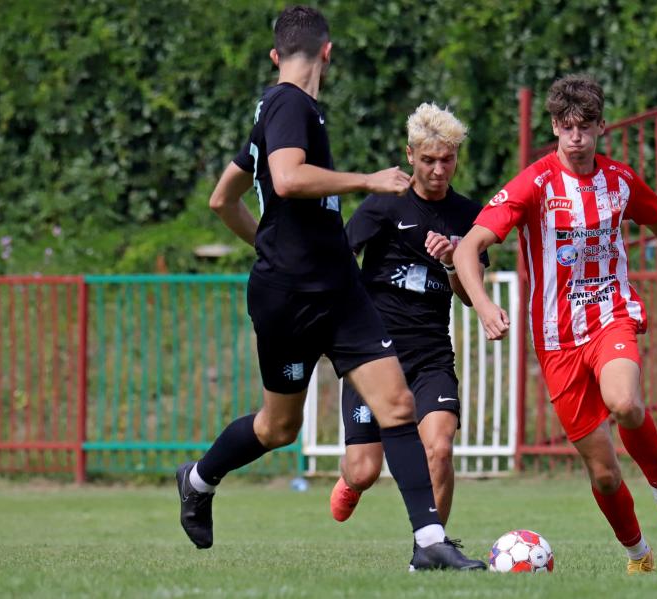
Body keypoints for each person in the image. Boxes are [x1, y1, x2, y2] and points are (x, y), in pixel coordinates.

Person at [176, 5, 484, 572]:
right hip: (292, 298)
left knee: (397, 405)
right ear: (328, 51)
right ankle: (198, 479)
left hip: (339, 292)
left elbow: (223, 199)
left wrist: (267, 244)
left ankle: (429, 542)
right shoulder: (289, 104)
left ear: (277, 54)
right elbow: (288, 178)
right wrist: (367, 180)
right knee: (278, 427)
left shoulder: (280, 110)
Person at [453, 74, 657, 574]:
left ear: (601, 126)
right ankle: (639, 556)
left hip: (610, 316)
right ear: (554, 127)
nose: (575, 136)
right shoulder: (534, 184)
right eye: (566, 126)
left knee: (625, 402)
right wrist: (484, 304)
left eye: (585, 126)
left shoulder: (620, 181)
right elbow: (469, 246)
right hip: (557, 340)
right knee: (603, 474)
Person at [329, 103, 488, 526]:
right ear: (410, 155)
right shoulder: (385, 205)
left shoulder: (469, 216)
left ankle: (432, 547)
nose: (438, 170)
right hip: (374, 354)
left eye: (447, 159)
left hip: (431, 356)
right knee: (364, 470)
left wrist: (453, 261)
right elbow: (340, 260)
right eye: (429, 159)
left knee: (439, 449)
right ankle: (351, 481)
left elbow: (470, 296)